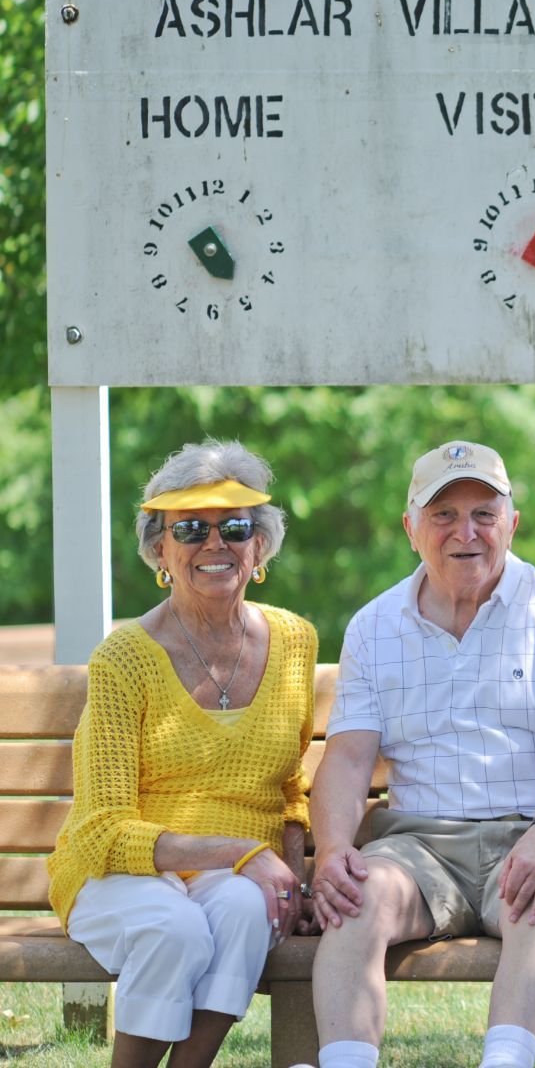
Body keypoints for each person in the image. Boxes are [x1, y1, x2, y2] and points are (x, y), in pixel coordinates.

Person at [306, 440, 535, 1068]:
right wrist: (335, 850)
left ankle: (505, 1063)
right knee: (356, 898)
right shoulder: (374, 624)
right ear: (411, 528)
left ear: (512, 523)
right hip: (417, 843)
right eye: (443, 515)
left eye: (484, 513)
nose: (465, 532)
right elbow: (346, 759)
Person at [47, 440, 314, 1068]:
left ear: (260, 546)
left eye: (235, 527)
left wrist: (294, 875)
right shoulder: (125, 658)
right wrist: (244, 853)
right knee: (175, 927)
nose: (214, 544)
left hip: (235, 878)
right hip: (121, 874)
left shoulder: (294, 639)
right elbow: (105, 830)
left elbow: (291, 788)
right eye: (190, 529)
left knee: (250, 910)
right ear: (160, 551)